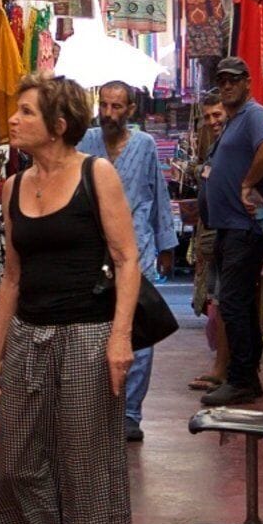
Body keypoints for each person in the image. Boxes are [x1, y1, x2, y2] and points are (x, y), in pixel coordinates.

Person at [0, 75, 142, 524]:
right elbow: (12, 277)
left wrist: (120, 338)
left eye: (25, 112)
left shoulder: (98, 176)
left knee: (87, 462)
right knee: (16, 458)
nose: (14, 120)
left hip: (87, 337)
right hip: (28, 337)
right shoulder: (14, 184)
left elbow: (126, 259)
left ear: (58, 125)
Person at [78, 79, 180, 442]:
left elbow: (159, 192)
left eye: (116, 106)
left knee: (138, 330)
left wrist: (167, 246)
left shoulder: (146, 145)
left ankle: (131, 413)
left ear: (130, 110)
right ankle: (99, 406)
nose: (108, 113)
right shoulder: (86, 142)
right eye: (104, 105)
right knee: (97, 329)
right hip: (94, 248)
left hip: (137, 249)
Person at [198, 60, 263, 404]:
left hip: (246, 226)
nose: (228, 86)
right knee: (238, 304)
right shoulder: (232, 121)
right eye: (222, 81)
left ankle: (242, 379)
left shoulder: (254, 115)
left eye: (234, 80)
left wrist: (247, 182)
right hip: (229, 227)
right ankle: (246, 377)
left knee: (232, 302)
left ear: (247, 83)